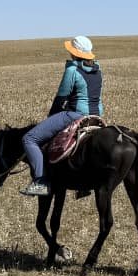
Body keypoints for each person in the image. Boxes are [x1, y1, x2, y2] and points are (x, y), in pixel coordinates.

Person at [19, 35, 104, 196]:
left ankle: (40, 182)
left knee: (29, 139)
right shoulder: (98, 69)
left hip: (75, 114)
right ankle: (83, 185)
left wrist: (51, 117)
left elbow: (61, 98)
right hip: (96, 115)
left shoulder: (72, 70)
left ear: (75, 53)